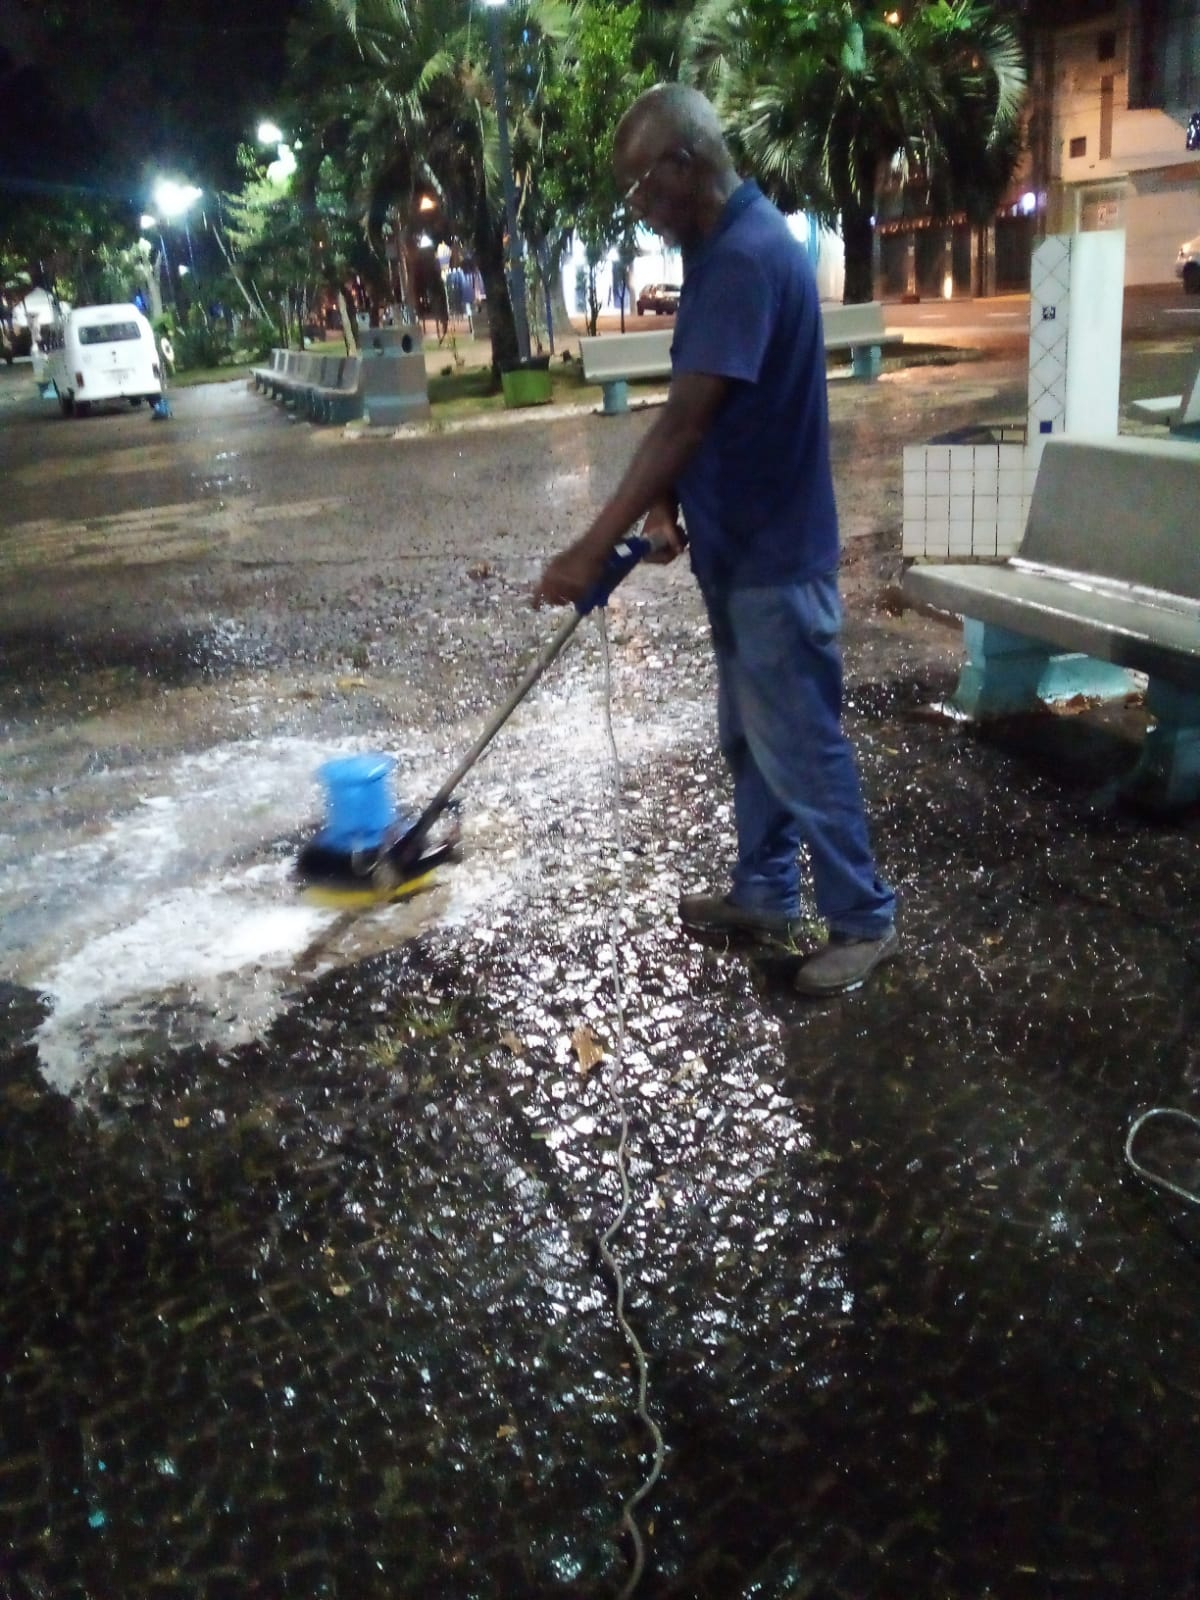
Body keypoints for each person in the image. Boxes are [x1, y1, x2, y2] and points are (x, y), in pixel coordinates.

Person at [532, 83, 896, 997]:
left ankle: (862, 919)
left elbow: (682, 425)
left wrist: (589, 548)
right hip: (741, 555)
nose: (640, 211)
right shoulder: (723, 246)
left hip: (776, 559)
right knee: (755, 743)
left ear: (683, 164)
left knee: (803, 750)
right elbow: (718, 406)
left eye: (640, 189)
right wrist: (667, 511)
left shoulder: (740, 256)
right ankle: (767, 892)